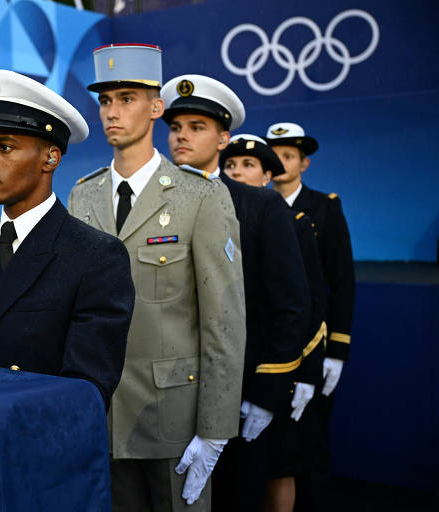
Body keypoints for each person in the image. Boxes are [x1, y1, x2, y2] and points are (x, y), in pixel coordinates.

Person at [0, 69, 136, 512]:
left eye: (5, 147)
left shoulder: (96, 255)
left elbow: (87, 389)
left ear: (50, 158)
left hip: (42, 471)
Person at [68, 45, 246, 512]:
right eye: (105, 100)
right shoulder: (83, 198)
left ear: (156, 107)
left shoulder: (199, 198)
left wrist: (214, 428)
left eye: (127, 98)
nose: (112, 112)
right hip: (103, 415)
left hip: (174, 418)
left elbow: (223, 324)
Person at [159, 75, 311, 512]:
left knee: (235, 499)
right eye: (175, 126)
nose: (182, 135)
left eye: (196, 126)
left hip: (239, 394)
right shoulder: (154, 202)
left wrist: (265, 392)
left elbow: (290, 305)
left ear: (224, 138)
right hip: (167, 398)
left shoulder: (260, 207)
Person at [221, 134, 327, 512]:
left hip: (275, 363)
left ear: (268, 176)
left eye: (247, 166)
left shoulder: (295, 221)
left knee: (279, 464)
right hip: (232, 366)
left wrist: (306, 371)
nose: (236, 172)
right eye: (230, 166)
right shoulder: (217, 215)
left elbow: (309, 303)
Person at [265, 122, 355, 511]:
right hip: (271, 347)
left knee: (310, 444)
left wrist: (337, 349)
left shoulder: (325, 208)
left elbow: (341, 280)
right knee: (272, 452)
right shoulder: (256, 204)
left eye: (289, 157)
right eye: (276, 156)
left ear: (305, 163)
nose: (282, 164)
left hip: (313, 344)